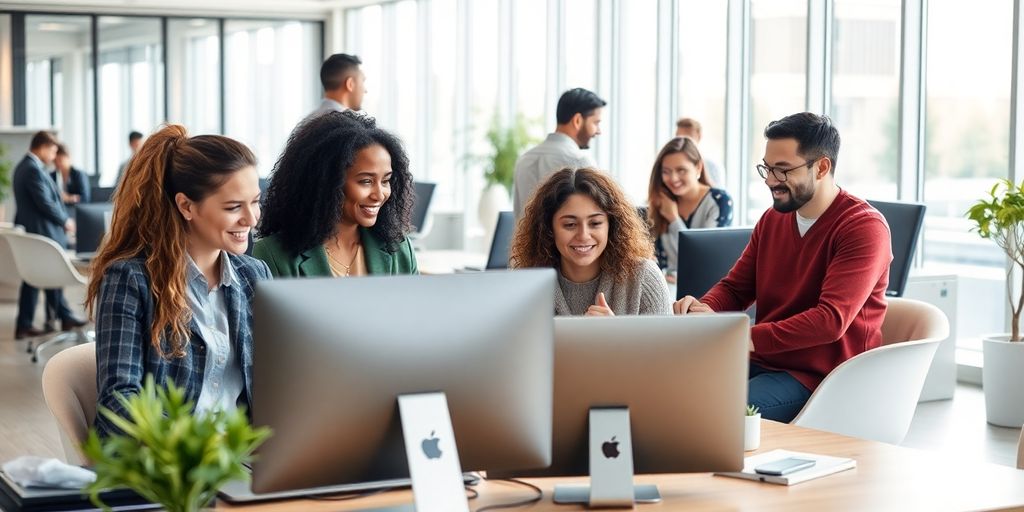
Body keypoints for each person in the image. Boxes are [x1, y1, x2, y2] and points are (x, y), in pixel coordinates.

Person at [673, 112, 891, 423]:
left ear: (822, 167)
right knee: (668, 388)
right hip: (763, 360)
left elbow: (831, 320)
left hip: (824, 377)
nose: (770, 179)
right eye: (767, 167)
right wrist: (703, 311)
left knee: (711, 413)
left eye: (783, 170)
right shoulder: (773, 219)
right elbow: (736, 288)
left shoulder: (863, 228)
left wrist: (744, 336)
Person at [86, 124, 270, 438]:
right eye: (233, 207)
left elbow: (273, 386)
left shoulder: (254, 275)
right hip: (165, 465)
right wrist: (192, 452)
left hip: (240, 460)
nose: (251, 219)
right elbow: (120, 401)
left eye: (255, 201)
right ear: (186, 205)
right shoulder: (131, 280)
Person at [254, 111, 417, 277]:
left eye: (385, 181)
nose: (379, 195)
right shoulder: (273, 254)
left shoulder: (399, 248)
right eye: (366, 181)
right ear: (327, 182)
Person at [510, 167, 671, 316]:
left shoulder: (644, 278)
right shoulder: (525, 285)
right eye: (570, 225)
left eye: (595, 223)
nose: (583, 235)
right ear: (548, 228)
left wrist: (617, 335)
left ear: (611, 225)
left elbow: (667, 347)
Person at [12, 131, 86, 339]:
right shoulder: (32, 169)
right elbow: (45, 202)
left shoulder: (26, 167)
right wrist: (65, 221)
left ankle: (45, 319)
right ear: (42, 147)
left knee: (35, 278)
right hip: (41, 232)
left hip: (37, 232)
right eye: (53, 151)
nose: (54, 156)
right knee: (45, 274)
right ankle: (60, 316)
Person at [513, 88, 606, 219]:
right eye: (596, 123)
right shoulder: (581, 161)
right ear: (577, 120)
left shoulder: (524, 159)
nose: (598, 131)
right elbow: (596, 217)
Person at [647, 137, 733, 278]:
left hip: (702, 290)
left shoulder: (719, 201)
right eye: (666, 171)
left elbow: (704, 258)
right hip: (666, 287)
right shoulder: (662, 201)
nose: (673, 178)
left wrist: (674, 219)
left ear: (698, 167)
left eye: (681, 170)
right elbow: (660, 261)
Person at [298, 53, 366, 128]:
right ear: (350, 84)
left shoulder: (307, 122)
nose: (365, 90)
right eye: (362, 81)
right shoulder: (348, 128)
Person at [676, 117, 724, 186]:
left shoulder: (712, 166)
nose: (683, 142)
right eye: (679, 137)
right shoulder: (671, 165)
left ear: (699, 136)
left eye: (688, 137)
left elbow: (717, 193)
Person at [51, 144, 91, 209]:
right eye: (55, 161)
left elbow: (85, 199)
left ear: (68, 157)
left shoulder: (78, 174)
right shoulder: (52, 176)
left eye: (60, 160)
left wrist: (68, 198)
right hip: (58, 211)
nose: (58, 163)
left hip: (75, 210)